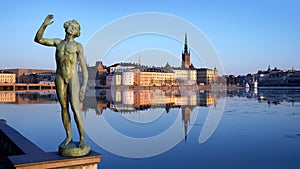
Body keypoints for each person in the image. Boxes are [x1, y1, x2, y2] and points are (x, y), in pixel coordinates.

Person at [34, 14, 88, 148]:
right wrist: (44, 25)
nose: (72, 28)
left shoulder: (78, 46)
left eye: (75, 28)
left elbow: (84, 68)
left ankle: (82, 137)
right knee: (64, 107)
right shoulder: (58, 42)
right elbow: (38, 39)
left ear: (77, 33)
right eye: (71, 25)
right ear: (66, 26)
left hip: (73, 77)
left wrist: (84, 86)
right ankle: (69, 135)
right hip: (59, 76)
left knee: (75, 108)